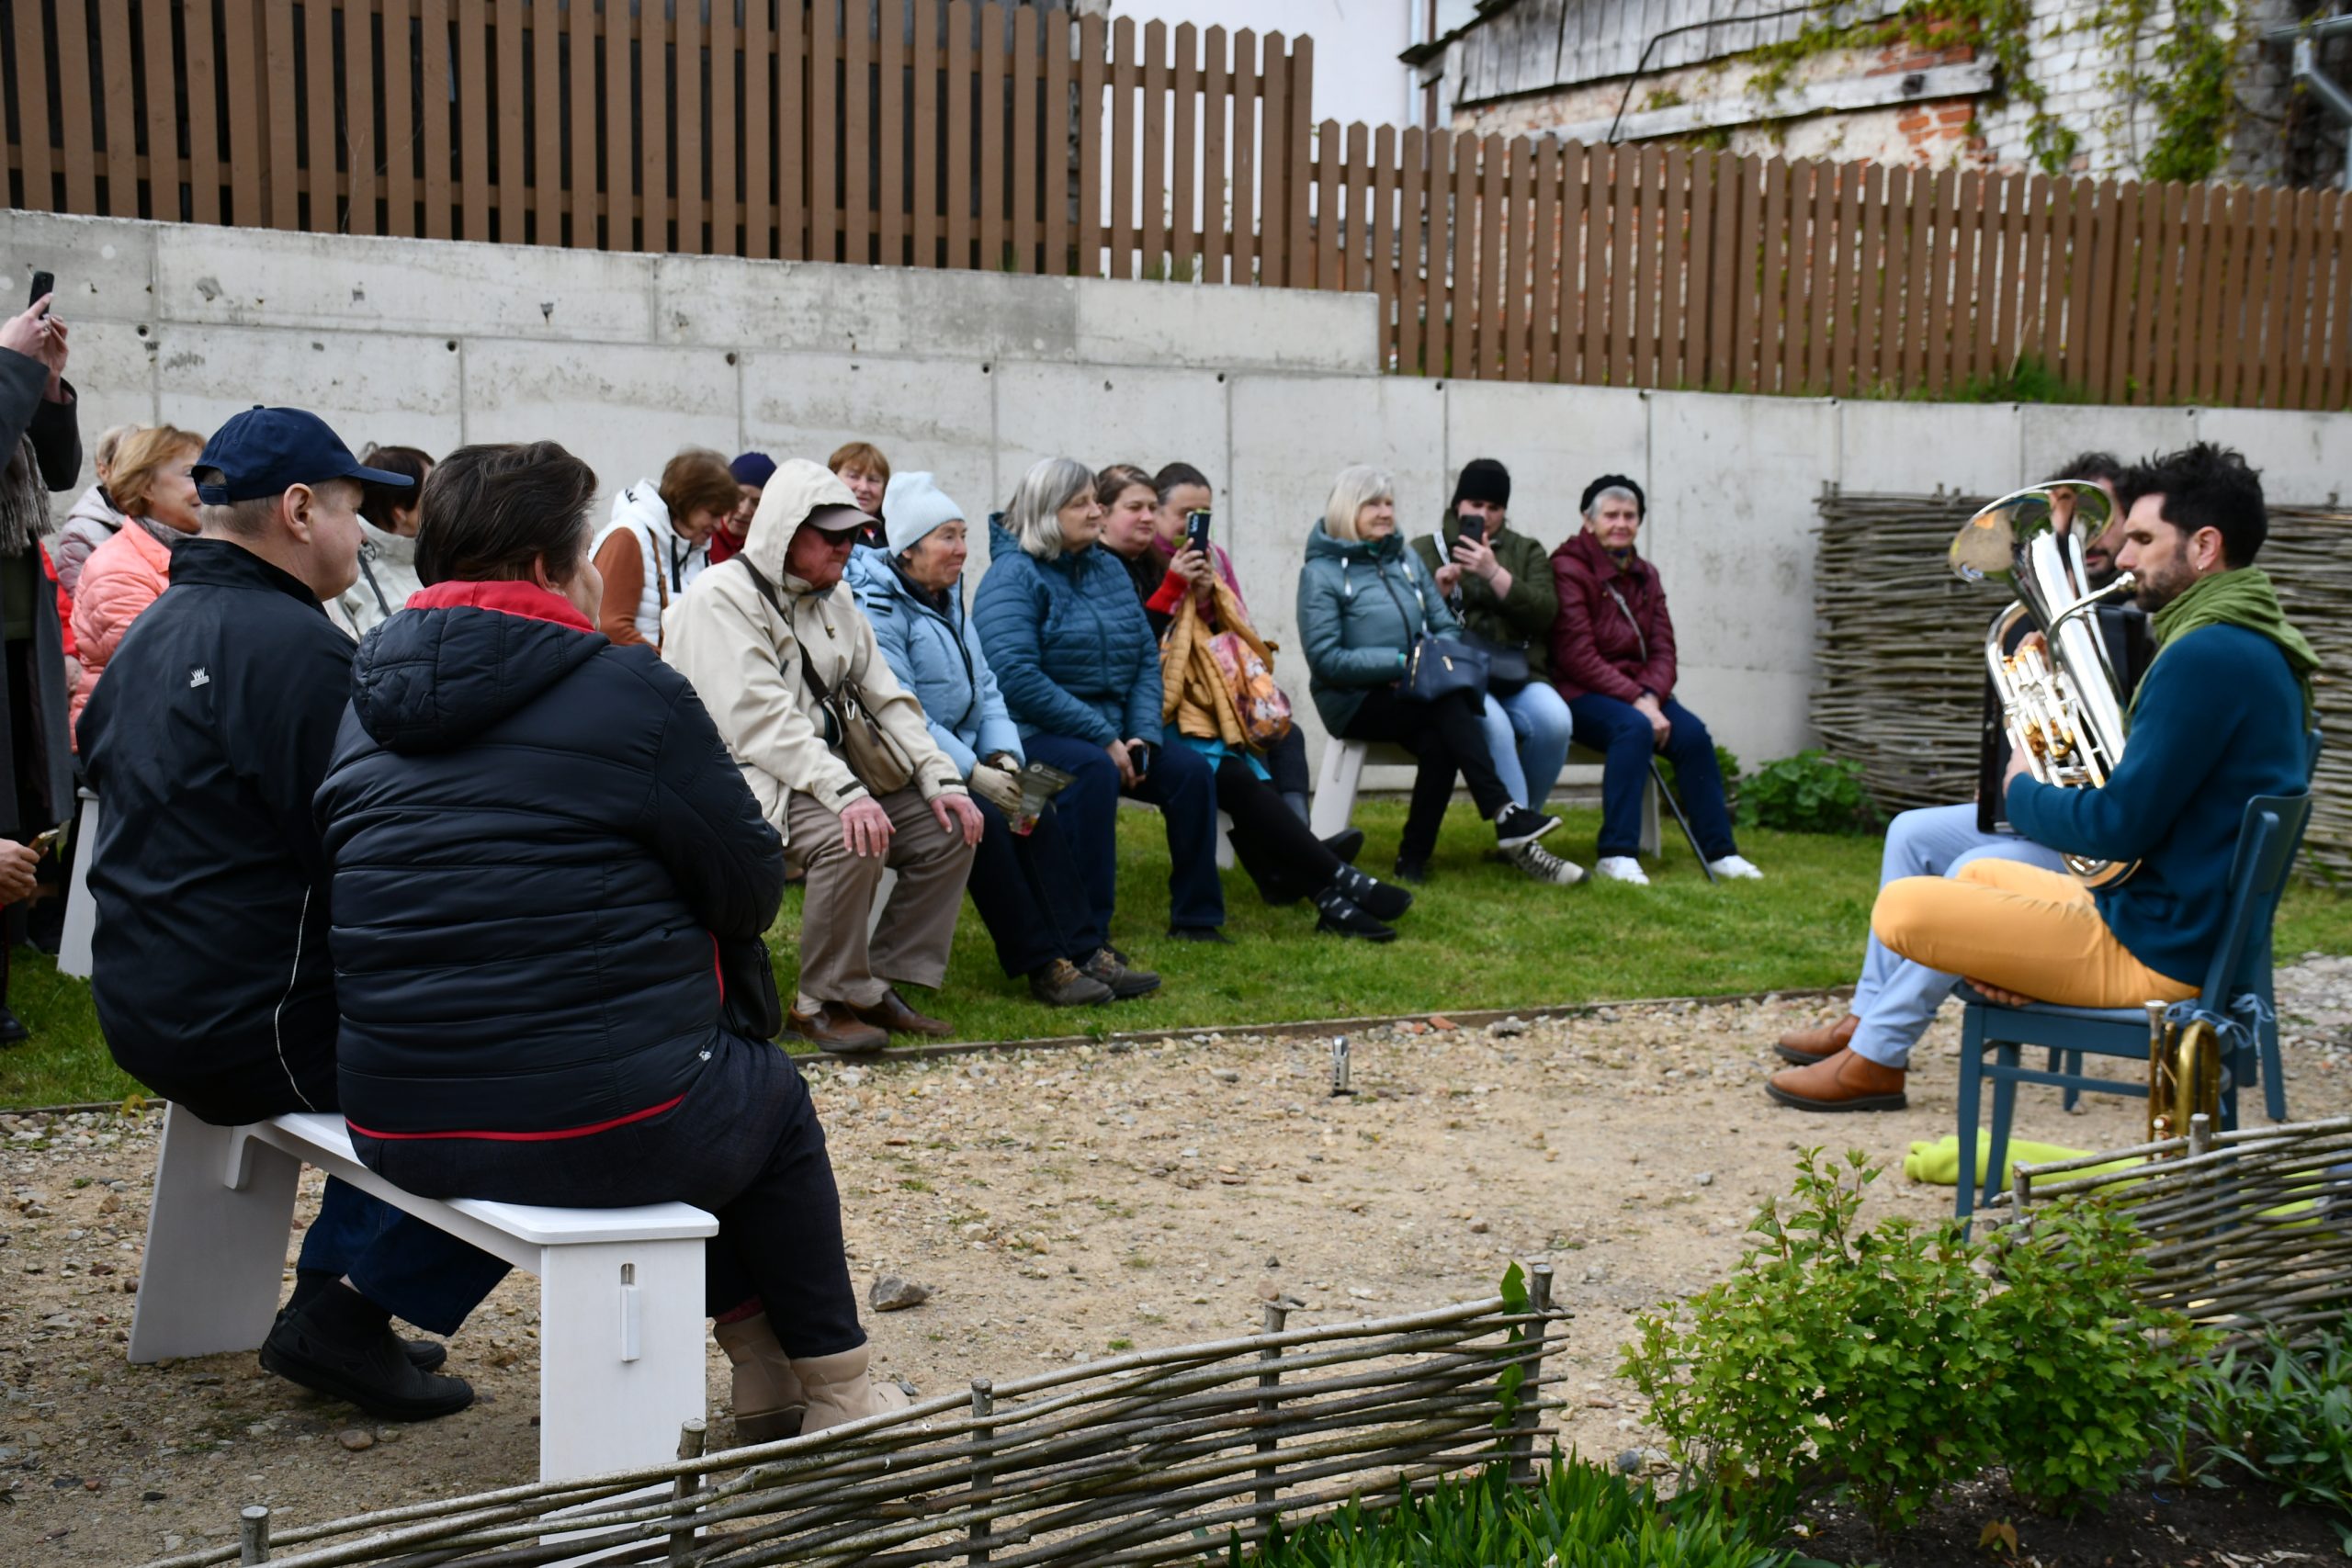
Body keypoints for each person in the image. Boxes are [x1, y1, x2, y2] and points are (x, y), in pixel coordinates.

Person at [315, 440, 904, 1444]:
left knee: (681, 1076)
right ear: (550, 567)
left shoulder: (365, 701)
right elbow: (749, 885)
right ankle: (840, 1391)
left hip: (397, 1113)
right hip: (592, 1119)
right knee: (761, 1101)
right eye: (587, 551)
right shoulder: (628, 688)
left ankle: (764, 1373)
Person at [78, 407, 505, 1418]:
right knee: (528, 1059)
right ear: (302, 510)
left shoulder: (158, 627)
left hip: (143, 1001)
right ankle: (345, 1312)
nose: (365, 536)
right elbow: (376, 865)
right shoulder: (298, 653)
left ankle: (331, 1302)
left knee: (451, 1022)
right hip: (247, 1028)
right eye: (357, 511)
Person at [1779, 443, 2317, 1112]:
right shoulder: (2250, 640)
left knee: (1903, 909)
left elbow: (2118, 827)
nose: (2123, 557)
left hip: (2156, 949)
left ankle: (1876, 1054)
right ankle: (1877, 1049)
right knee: (1974, 873)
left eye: (2143, 540)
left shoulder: (2205, 653)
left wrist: (2021, 789)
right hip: (2171, 921)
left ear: (2205, 547)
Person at [1769, 454, 2136, 1105]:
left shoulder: (2130, 620)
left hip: (2094, 838)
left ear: (2126, 524)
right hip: (2044, 812)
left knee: (1971, 874)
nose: (2072, 537)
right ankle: (1866, 1014)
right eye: (2060, 522)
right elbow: (2030, 726)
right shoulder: (2047, 617)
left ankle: (1880, 1051)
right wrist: (2002, 782)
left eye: (2089, 519)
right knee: (1912, 833)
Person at [666, 459, 985, 1054]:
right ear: (786, 531)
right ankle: (818, 1002)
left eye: (854, 533)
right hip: (737, 778)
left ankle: (869, 983)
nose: (848, 546)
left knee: (948, 827)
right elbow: (760, 722)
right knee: (850, 834)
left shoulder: (836, 599)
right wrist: (847, 794)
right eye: (832, 534)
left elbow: (890, 699)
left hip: (817, 770)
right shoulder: (719, 598)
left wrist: (943, 780)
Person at [846, 472, 1140, 1004]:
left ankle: (1083, 947)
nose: (963, 549)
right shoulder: (879, 609)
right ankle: (1043, 964)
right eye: (948, 537)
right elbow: (902, 712)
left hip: (962, 759)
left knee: (1034, 804)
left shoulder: (945, 596)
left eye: (963, 535)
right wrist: (972, 773)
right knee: (985, 824)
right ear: (909, 548)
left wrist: (1003, 756)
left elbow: (987, 688)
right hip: (904, 764)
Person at [1093, 462, 1411, 939]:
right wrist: (1175, 590)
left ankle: (1319, 886)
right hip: (1140, 719)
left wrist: (1204, 597)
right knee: (1233, 770)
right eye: (1135, 507)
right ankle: (1333, 876)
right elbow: (1131, 652)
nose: (1145, 517)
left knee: (1260, 753)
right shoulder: (1103, 567)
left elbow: (1218, 638)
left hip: (1176, 708)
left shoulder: (1158, 562)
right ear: (1102, 514)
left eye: (1149, 507)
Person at [973, 457, 1227, 949]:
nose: (1096, 512)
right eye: (1081, 503)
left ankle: (1197, 918)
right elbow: (1016, 678)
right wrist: (1103, 737)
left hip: (1111, 733)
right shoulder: (1012, 576)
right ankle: (1086, 932)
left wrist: (1142, 735)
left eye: (1095, 500)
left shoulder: (1106, 568)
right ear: (1048, 512)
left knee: (1191, 772)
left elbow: (1143, 660)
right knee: (1092, 771)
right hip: (1028, 735)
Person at [1297, 465, 1574, 886]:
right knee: (1449, 705)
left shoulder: (1404, 559)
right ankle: (1504, 812)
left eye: (1389, 503)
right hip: (1353, 699)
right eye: (1372, 504)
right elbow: (1326, 659)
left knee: (1443, 737)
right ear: (1347, 508)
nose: (1385, 512)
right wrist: (1403, 662)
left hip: (1410, 686)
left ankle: (1414, 859)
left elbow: (1444, 624)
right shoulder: (1321, 573)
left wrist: (1422, 662)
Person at [1550, 474, 1759, 886]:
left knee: (1693, 736)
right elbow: (1577, 656)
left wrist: (1649, 695)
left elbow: (1664, 649)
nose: (1621, 524)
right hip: (1581, 692)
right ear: (1588, 520)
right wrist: (1638, 702)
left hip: (1642, 694)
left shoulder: (1646, 574)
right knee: (1633, 729)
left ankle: (1721, 851)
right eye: (1611, 515)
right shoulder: (1568, 568)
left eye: (1629, 516)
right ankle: (1617, 853)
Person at [1146, 461, 1317, 822]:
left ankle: (1300, 832)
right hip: (1180, 697)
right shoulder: (1146, 559)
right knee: (1244, 744)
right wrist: (1175, 587)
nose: (1193, 524)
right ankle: (1290, 846)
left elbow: (1238, 631)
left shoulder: (1216, 558)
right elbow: (1145, 638)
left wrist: (1208, 599)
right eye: (1184, 514)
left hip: (1224, 682)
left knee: (1285, 735)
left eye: (1203, 515)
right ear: (1156, 512)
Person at [0, 291, 80, 1044]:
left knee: (24, 801)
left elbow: (57, 470)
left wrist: (47, 384)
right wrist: (12, 368)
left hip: (23, 627)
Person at [1413, 459, 1575, 817]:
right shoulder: (1424, 550)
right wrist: (1438, 593)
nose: (1484, 515)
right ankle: (1522, 832)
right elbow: (1406, 621)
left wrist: (1494, 573)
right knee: (1496, 726)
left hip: (1518, 672)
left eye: (1494, 507)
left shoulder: (1527, 551)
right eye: (1476, 505)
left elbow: (1546, 613)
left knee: (1555, 721)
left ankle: (1525, 820)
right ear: (1458, 504)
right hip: (1458, 676)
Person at [68, 423, 206, 732]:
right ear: (147, 487)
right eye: (190, 474)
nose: (206, 486)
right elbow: (163, 669)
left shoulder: (198, 550)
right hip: (128, 737)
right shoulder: (115, 568)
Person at [592, 447, 736, 647]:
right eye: (713, 514)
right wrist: (670, 664)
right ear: (686, 501)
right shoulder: (628, 538)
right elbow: (610, 628)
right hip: (640, 668)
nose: (719, 525)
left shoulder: (694, 548)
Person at [326, 443, 432, 637]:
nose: (440, 500)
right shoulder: (345, 568)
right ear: (399, 511)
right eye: (430, 493)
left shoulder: (436, 556)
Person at [51, 422, 139, 599]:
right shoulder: (80, 532)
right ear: (103, 470)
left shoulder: (167, 518)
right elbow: (80, 604)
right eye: (133, 464)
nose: (145, 475)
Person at [713, 451, 775, 567]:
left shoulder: (772, 552)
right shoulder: (700, 541)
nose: (744, 511)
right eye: (738, 497)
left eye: (756, 503)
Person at [830, 441, 890, 547]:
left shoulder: (896, 534)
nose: (864, 488)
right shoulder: (821, 532)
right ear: (832, 477)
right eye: (853, 476)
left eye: (873, 480)